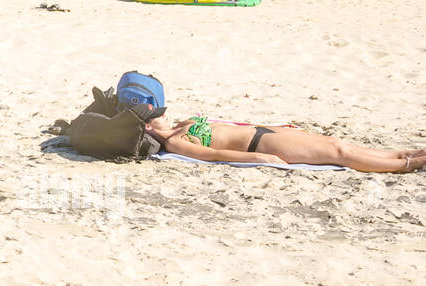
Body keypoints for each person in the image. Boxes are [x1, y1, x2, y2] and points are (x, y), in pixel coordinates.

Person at [144, 113, 426, 173]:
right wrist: (260, 159)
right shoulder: (177, 143)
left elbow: (230, 125)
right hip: (261, 147)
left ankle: (406, 153)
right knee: (338, 153)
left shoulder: (181, 124)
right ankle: (406, 165)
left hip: (264, 131)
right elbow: (216, 154)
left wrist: (277, 126)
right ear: (148, 127)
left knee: (333, 141)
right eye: (157, 117)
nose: (164, 115)